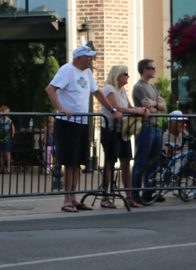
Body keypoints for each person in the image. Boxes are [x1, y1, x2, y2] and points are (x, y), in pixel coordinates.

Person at [46, 44, 103, 212]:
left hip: (82, 122)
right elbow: (50, 89)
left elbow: (97, 92)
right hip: (68, 122)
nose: (91, 59)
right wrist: (61, 108)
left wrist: (113, 110)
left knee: (78, 161)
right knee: (69, 161)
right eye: (88, 56)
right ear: (79, 57)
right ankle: (66, 199)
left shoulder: (88, 73)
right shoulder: (67, 70)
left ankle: (74, 197)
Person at [98, 65, 149, 208]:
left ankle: (129, 197)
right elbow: (117, 108)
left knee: (126, 163)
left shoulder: (122, 90)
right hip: (110, 130)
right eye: (125, 73)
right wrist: (136, 111)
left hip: (122, 130)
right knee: (109, 163)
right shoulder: (110, 89)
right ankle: (105, 197)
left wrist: (139, 110)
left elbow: (128, 106)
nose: (128, 76)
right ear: (118, 75)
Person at [131, 59, 166, 203]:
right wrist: (156, 105)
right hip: (145, 127)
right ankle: (134, 194)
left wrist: (155, 104)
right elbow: (149, 109)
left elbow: (163, 106)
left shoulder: (153, 87)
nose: (154, 70)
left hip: (156, 127)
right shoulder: (139, 87)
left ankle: (149, 192)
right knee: (141, 161)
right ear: (144, 70)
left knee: (153, 162)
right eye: (152, 68)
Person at [0, 105, 15, 173]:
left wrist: (10, 138)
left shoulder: (9, 121)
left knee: (8, 154)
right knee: (1, 154)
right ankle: (1, 167)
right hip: (0, 139)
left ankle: (8, 168)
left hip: (7, 139)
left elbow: (12, 130)